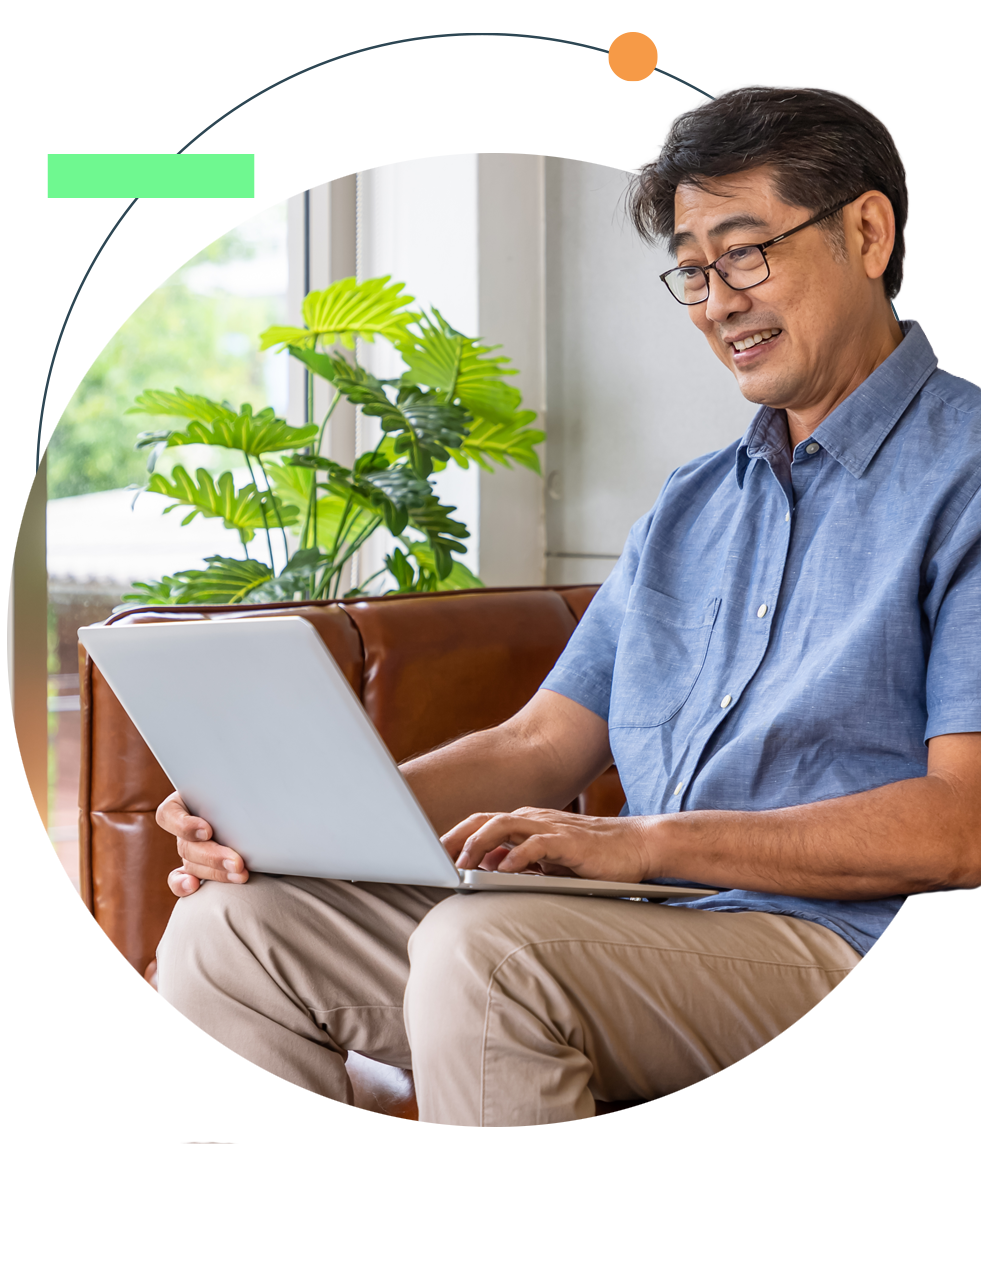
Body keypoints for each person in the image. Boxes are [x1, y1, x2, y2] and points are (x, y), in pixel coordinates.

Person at [154, 83, 981, 1126]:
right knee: (230, 931)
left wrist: (643, 845)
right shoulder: (692, 504)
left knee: (484, 954)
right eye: (692, 269)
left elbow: (963, 823)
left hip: (863, 951)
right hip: (653, 924)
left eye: (745, 251)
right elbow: (544, 739)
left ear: (866, 231)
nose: (719, 300)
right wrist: (297, 819)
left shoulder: (970, 478)